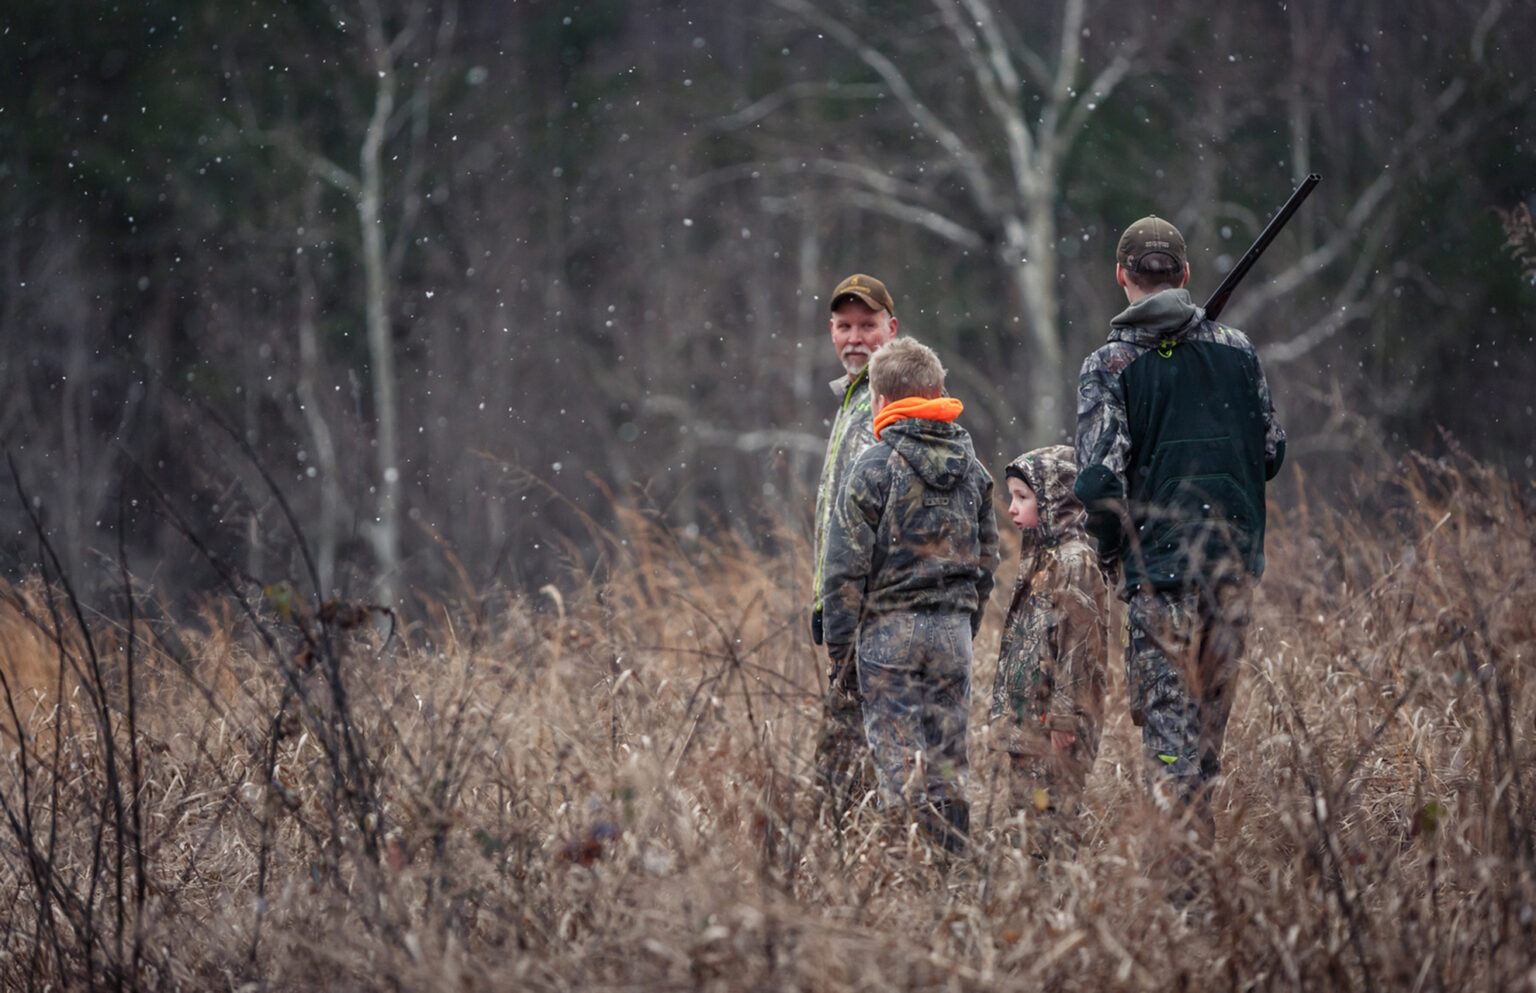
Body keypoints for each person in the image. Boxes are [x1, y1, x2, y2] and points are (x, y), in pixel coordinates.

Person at [1073, 215, 1286, 856]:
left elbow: (1096, 480)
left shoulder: (1110, 363)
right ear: (1186, 275)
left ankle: (1185, 897)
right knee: (1206, 745)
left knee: (1170, 751)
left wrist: (1114, 550)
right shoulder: (1238, 350)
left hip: (1159, 580)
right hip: (1232, 572)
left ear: (1121, 276)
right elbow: (1270, 451)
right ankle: (1203, 887)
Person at [819, 337, 1000, 852]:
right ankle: (954, 870)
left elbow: (844, 567)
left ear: (878, 400)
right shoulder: (975, 470)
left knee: (899, 761)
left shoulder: (872, 467)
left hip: (887, 631)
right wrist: (966, 621)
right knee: (948, 760)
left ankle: (909, 873)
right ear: (940, 391)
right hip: (953, 630)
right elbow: (988, 560)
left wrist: (840, 647)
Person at [989, 445, 1109, 858]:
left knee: (1052, 822)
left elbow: (1080, 644)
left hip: (1054, 729)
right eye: (1012, 496)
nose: (1012, 507)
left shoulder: (1075, 561)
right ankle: (1033, 906)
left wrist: (1063, 716)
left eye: (1023, 497)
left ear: (1055, 498)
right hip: (1031, 726)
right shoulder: (1040, 555)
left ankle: (1057, 906)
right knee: (1026, 822)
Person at [810, 274, 898, 810]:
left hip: (876, 619)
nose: (855, 338)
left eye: (868, 326)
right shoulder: (853, 399)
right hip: (848, 612)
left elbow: (875, 524)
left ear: (892, 328)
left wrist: (849, 610)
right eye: (845, 326)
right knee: (846, 771)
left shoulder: (892, 397)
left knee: (854, 773)